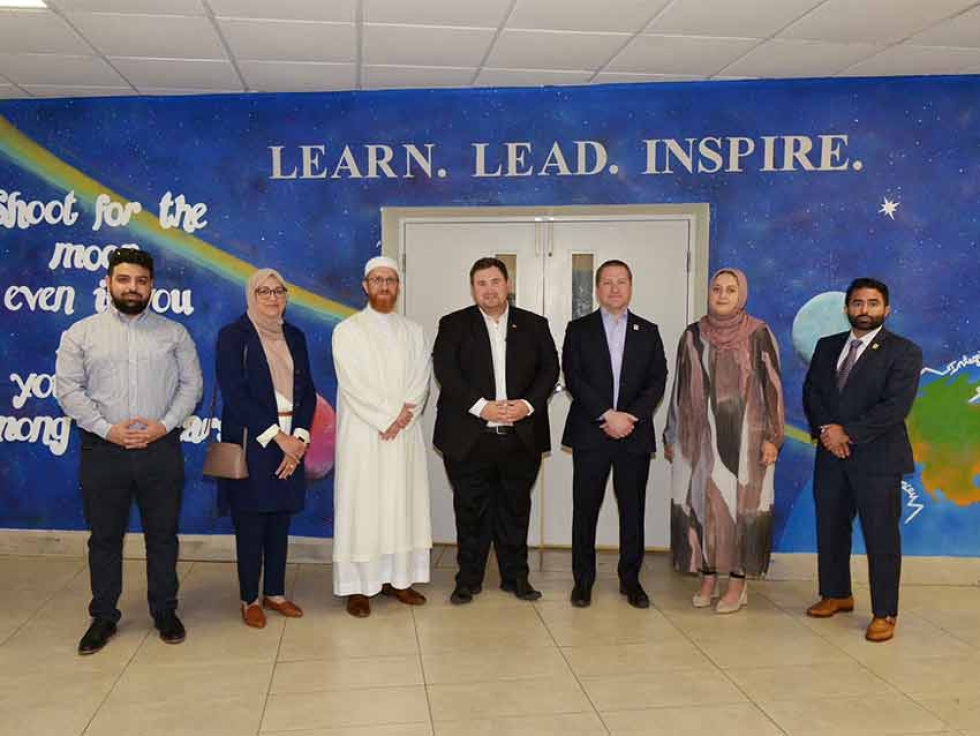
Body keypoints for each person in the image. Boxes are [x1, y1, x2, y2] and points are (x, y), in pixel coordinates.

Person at [55, 248, 203, 655]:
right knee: (104, 538)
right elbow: (67, 389)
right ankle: (103, 616)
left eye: (140, 280)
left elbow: (192, 386)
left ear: (151, 285)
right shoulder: (80, 333)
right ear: (108, 282)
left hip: (160, 449)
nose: (132, 288)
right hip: (103, 451)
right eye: (124, 279)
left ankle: (165, 611)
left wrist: (164, 425)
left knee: (162, 536)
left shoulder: (174, 334)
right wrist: (107, 429)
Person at [432, 257, 560, 605]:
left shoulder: (534, 324)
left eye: (495, 282)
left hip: (520, 436)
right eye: (480, 283)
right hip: (470, 437)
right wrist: (481, 406)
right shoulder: (454, 324)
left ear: (508, 285)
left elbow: (549, 369)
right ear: (473, 288)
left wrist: (527, 406)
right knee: (469, 511)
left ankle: (515, 577)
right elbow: (447, 371)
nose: (488, 289)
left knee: (515, 510)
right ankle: (467, 579)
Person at [803, 277, 922, 642]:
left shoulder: (904, 352)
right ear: (847, 308)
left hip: (878, 459)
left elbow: (894, 407)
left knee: (881, 537)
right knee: (831, 527)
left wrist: (846, 433)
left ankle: (885, 612)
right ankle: (837, 593)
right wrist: (828, 429)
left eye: (872, 303)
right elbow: (813, 393)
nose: (864, 310)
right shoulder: (826, 347)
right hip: (831, 455)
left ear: (886, 309)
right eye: (857, 303)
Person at [664, 268, 784, 614]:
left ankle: (737, 582)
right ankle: (707, 577)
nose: (722, 295)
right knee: (704, 506)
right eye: (716, 288)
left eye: (730, 290)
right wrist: (673, 434)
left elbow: (773, 389)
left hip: (746, 442)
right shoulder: (691, 335)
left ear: (741, 295)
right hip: (698, 440)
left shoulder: (759, 334)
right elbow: (679, 389)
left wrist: (773, 438)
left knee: (740, 509)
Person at [561, 259, 668, 609]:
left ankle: (630, 580)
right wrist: (607, 415)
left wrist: (631, 417)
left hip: (633, 436)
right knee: (585, 509)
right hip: (592, 433)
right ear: (597, 289)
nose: (614, 288)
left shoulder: (648, 331)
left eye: (621, 281)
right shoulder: (578, 329)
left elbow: (657, 381)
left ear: (631, 287)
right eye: (607, 282)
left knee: (632, 510)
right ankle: (583, 581)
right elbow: (575, 378)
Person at [332, 256, 432, 618]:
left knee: (400, 507)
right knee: (363, 509)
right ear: (365, 286)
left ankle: (398, 579)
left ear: (398, 286)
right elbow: (353, 383)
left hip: (403, 437)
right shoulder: (348, 331)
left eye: (390, 279)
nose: (384, 286)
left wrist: (404, 414)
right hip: (363, 436)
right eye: (377, 280)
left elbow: (420, 379)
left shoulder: (414, 331)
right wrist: (387, 417)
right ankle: (357, 587)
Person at [215, 268, 316, 628]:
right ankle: (249, 598)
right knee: (251, 522)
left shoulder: (295, 335)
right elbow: (236, 396)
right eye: (264, 291)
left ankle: (275, 593)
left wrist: (299, 439)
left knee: (280, 521)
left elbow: (307, 391)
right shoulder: (233, 337)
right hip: (255, 440)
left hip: (292, 438)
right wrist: (279, 438)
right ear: (250, 296)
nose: (273, 298)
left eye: (279, 291)